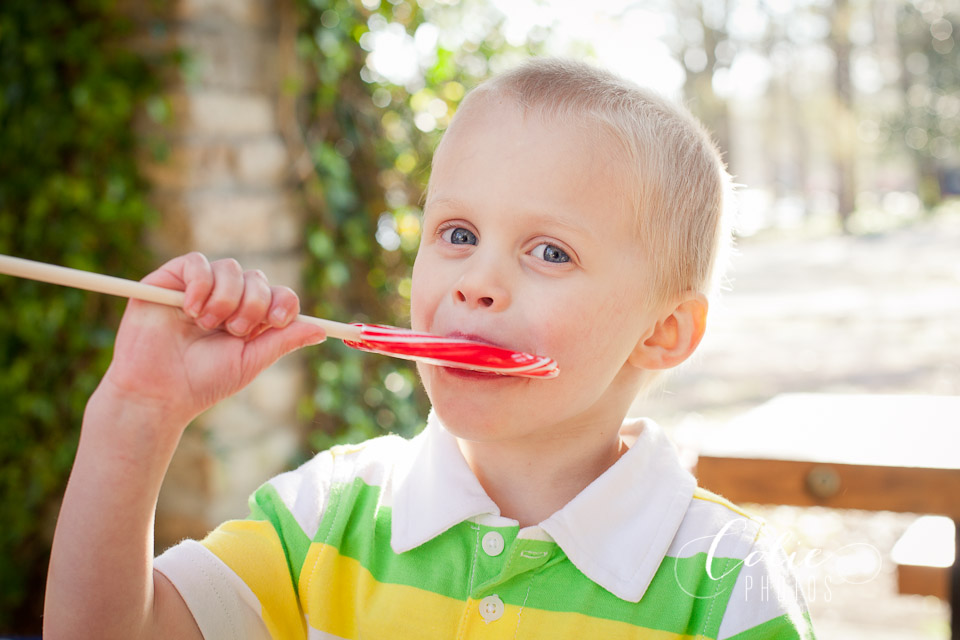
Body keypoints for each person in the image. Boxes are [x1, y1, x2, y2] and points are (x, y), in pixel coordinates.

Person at [44, 58, 815, 639]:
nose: (477, 280)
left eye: (550, 252)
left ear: (662, 332)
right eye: (457, 233)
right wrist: (138, 413)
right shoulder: (324, 518)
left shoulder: (731, 587)